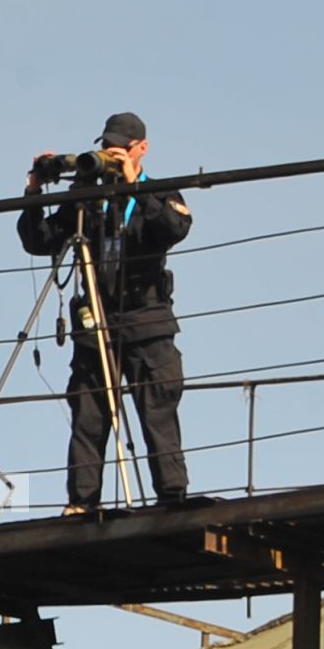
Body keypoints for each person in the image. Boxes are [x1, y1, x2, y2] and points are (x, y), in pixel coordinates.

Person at [18, 111, 193, 514]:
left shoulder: (163, 192)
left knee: (157, 410)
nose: (111, 157)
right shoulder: (88, 201)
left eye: (120, 151)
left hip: (147, 322)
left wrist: (134, 186)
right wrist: (34, 192)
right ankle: (81, 502)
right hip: (96, 324)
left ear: (141, 149)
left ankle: (171, 496)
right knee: (89, 413)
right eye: (106, 150)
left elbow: (173, 230)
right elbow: (39, 240)